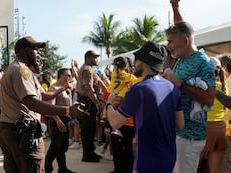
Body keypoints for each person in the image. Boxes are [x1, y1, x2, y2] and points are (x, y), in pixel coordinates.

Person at [0, 36, 86, 173]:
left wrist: (61, 89)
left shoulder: (18, 69)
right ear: (23, 51)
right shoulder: (22, 70)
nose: (39, 54)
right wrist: (67, 110)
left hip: (10, 129)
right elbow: (31, 102)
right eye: (36, 49)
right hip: (22, 132)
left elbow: (44, 96)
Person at [106, 41, 184, 173]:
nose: (134, 64)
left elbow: (114, 123)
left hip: (148, 159)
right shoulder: (172, 88)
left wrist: (108, 103)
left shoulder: (139, 89)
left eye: (136, 60)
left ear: (143, 61)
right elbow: (180, 125)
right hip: (169, 157)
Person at [163, 1, 216, 172]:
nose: (168, 46)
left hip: (189, 138)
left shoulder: (203, 63)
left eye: (171, 42)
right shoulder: (182, 56)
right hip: (177, 133)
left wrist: (180, 84)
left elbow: (209, 100)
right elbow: (181, 28)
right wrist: (175, 7)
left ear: (185, 41)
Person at [107, 56, 137, 173]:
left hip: (115, 116)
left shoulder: (115, 77)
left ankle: (117, 169)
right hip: (126, 120)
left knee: (119, 151)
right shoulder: (132, 79)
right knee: (127, 153)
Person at [77, 50, 107, 162]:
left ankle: (90, 152)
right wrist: (97, 102)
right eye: (95, 57)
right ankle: (87, 155)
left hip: (87, 102)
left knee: (90, 128)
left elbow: (98, 82)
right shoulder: (87, 69)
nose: (96, 60)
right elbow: (88, 88)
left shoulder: (89, 69)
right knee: (87, 129)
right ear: (88, 57)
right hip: (87, 102)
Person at [45, 68, 76, 173]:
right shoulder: (54, 88)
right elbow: (50, 106)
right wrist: (58, 121)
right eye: (67, 75)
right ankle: (47, 169)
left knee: (63, 146)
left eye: (70, 75)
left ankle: (63, 169)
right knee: (55, 146)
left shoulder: (66, 88)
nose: (69, 77)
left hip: (66, 119)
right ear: (61, 76)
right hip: (58, 119)